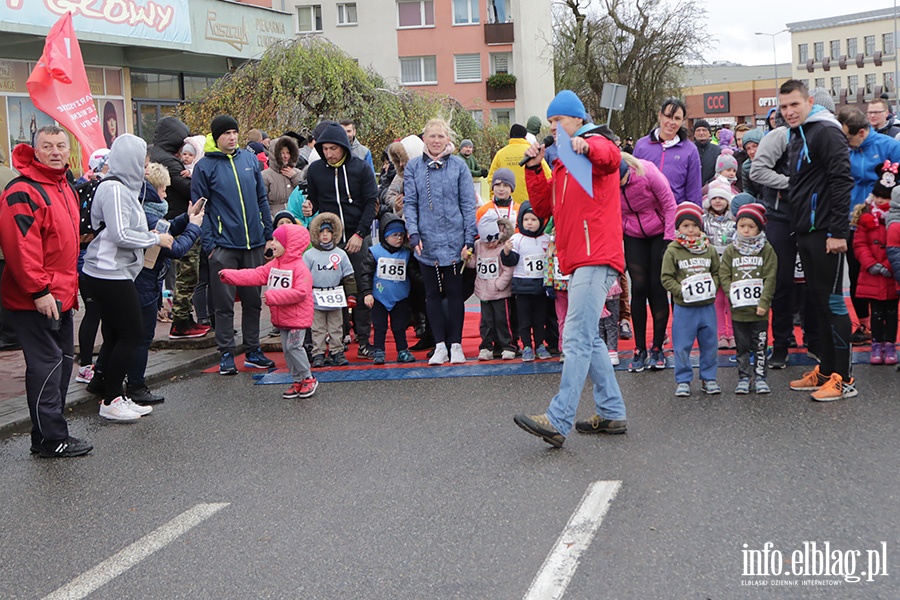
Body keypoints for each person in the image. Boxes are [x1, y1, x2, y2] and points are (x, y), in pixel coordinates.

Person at [513, 90, 626, 448]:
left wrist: (586, 145)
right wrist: (534, 168)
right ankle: (612, 411)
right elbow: (544, 207)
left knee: (575, 336)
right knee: (588, 338)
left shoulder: (593, 141)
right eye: (550, 122)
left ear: (577, 119)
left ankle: (559, 417)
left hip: (596, 255)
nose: (553, 127)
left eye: (557, 120)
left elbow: (610, 157)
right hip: (578, 257)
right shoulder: (562, 158)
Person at [0, 126, 92, 457]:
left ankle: (44, 436)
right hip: (36, 298)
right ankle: (53, 438)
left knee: (61, 364)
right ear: (34, 151)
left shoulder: (64, 186)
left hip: (60, 294)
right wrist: (39, 290)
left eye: (60, 145)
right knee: (49, 365)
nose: (55, 151)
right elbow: (20, 247)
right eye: (47, 146)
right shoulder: (23, 190)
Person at [82, 134, 174, 422]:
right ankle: (112, 399)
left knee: (116, 335)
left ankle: (105, 387)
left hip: (113, 271)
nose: (146, 167)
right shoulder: (115, 190)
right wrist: (155, 238)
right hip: (108, 272)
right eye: (143, 160)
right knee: (133, 334)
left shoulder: (121, 188)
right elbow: (121, 234)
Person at [778, 80, 856, 401]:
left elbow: (842, 180)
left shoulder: (825, 131)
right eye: (783, 107)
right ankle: (825, 371)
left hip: (828, 233)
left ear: (809, 101)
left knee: (834, 303)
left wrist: (838, 232)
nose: (789, 112)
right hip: (807, 232)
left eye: (794, 104)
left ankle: (844, 379)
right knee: (819, 303)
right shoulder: (798, 134)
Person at [193, 114, 276, 375]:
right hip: (223, 246)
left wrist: (268, 233)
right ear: (216, 137)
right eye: (226, 133)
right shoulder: (204, 167)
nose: (232, 137)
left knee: (253, 301)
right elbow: (199, 209)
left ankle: (252, 350)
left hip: (253, 244)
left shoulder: (249, 160)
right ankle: (227, 352)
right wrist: (211, 246)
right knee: (224, 304)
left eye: (234, 132)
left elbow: (261, 199)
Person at [301, 121, 379, 359]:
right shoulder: (315, 170)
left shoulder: (360, 168)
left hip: (357, 236)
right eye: (325, 149)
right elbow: (312, 200)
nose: (329, 154)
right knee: (332, 290)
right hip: (329, 242)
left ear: (344, 147)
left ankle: (364, 340)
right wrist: (308, 207)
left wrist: (360, 234)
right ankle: (339, 338)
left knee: (361, 288)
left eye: (333, 149)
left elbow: (371, 203)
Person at [128, 163, 203, 404]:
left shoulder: (143, 212)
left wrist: (186, 217)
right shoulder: (149, 217)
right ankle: (136, 387)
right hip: (144, 285)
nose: (165, 195)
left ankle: (102, 380)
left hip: (137, 282)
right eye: (163, 191)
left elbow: (168, 228)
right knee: (141, 337)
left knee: (121, 336)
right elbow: (176, 248)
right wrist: (194, 226)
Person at [404, 117, 477, 366]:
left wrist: (469, 238)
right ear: (424, 138)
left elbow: (468, 204)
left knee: (455, 293)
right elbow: (410, 203)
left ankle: (456, 344)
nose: (436, 141)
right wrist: (413, 233)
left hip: (456, 241)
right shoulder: (414, 167)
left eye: (441, 136)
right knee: (432, 294)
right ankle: (439, 346)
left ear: (448, 139)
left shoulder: (458, 166)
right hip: (426, 242)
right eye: (432, 136)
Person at [220, 224, 318, 399]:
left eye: (277, 241)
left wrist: (274, 297)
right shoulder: (275, 265)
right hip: (282, 318)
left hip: (298, 317)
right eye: (273, 239)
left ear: (291, 245)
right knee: (288, 351)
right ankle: (297, 380)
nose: (272, 244)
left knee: (294, 347)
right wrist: (229, 275)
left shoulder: (299, 268)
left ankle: (308, 378)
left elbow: (301, 293)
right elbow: (255, 275)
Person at [835, 105, 900, 345]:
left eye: (848, 138)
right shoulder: (845, 150)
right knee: (856, 274)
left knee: (889, 273)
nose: (846, 142)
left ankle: (888, 325)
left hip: (886, 223)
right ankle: (865, 324)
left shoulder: (890, 146)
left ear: (862, 132)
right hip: (854, 222)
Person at [149, 117, 209, 341]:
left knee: (164, 275)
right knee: (187, 274)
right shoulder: (170, 163)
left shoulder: (154, 154)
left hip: (162, 223)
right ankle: (181, 321)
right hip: (180, 222)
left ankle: (179, 318)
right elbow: (192, 190)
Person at [619, 153, 676, 372]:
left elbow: (670, 205)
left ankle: (657, 347)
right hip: (632, 232)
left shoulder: (646, 171)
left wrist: (669, 240)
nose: (620, 185)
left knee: (658, 286)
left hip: (659, 231)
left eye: (622, 181)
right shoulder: (606, 182)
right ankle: (640, 348)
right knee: (639, 288)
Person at [661, 202, 721, 397]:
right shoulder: (673, 250)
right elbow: (666, 278)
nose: (691, 229)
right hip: (684, 308)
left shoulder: (709, 249)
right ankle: (683, 379)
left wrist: (713, 285)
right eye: (686, 225)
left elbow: (717, 272)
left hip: (707, 306)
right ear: (678, 227)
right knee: (682, 346)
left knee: (710, 344)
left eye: (694, 225)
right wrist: (681, 291)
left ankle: (709, 378)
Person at [720, 203, 777, 394]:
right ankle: (744, 377)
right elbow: (724, 275)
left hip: (759, 311)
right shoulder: (731, 250)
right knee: (742, 347)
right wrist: (731, 296)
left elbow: (770, 276)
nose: (745, 230)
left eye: (751, 226)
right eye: (742, 226)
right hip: (739, 311)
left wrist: (764, 303)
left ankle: (761, 377)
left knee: (760, 346)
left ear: (759, 228)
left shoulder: (766, 249)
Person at [852, 161, 898, 365]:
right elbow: (859, 243)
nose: (881, 201)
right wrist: (870, 263)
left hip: (891, 274)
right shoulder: (866, 217)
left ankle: (890, 344)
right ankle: (877, 343)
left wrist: (890, 265)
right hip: (871, 273)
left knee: (892, 311)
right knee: (876, 311)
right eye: (878, 196)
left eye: (885, 197)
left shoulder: (895, 220)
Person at [304, 213, 358, 367]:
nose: (325, 235)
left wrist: (351, 295)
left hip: (335, 295)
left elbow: (349, 275)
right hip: (316, 296)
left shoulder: (340, 254)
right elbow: (304, 277)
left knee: (336, 326)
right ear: (316, 234)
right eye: (322, 232)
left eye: (328, 232)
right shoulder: (309, 255)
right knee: (318, 327)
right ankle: (318, 352)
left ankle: (336, 351)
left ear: (334, 233)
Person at [360, 214, 415, 365]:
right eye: (395, 235)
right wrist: (367, 293)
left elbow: (414, 274)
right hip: (379, 297)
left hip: (400, 296)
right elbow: (366, 273)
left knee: (399, 326)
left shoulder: (406, 253)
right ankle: (379, 350)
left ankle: (402, 350)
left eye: (401, 235)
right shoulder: (374, 252)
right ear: (386, 236)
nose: (399, 238)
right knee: (379, 326)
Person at [501, 202, 551, 362]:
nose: (529, 223)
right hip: (522, 287)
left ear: (541, 222)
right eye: (526, 219)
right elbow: (511, 261)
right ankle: (527, 346)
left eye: (534, 220)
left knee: (539, 319)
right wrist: (506, 252)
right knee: (524, 320)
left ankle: (540, 345)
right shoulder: (516, 239)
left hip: (540, 287)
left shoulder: (546, 239)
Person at [634, 98, 702, 206]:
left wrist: (693, 217)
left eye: (677, 118)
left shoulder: (690, 150)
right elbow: (633, 182)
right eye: (668, 116)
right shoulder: (642, 146)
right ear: (660, 115)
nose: (672, 122)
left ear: (682, 121)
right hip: (645, 213)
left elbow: (694, 191)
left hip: (674, 213)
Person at [468, 212, 515, 360]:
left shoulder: (503, 247)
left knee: (503, 320)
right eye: (486, 242)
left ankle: (507, 345)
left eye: (493, 241)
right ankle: (486, 346)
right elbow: (474, 264)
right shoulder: (478, 245)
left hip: (500, 292)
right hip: (483, 291)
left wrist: (499, 285)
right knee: (486, 322)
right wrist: (467, 257)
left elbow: (508, 269)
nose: (490, 245)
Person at [702, 184, 736, 349]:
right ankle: (722, 334)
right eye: (714, 198)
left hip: (730, 265)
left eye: (721, 198)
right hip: (713, 265)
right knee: (718, 299)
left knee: (731, 299)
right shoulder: (704, 220)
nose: (717, 201)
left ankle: (734, 334)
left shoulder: (734, 220)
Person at [487, 123, 551, 205]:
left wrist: (493, 200)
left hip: (507, 205)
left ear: (510, 137)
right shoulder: (532, 153)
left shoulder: (500, 154)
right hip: (529, 204)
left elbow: (491, 179)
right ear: (525, 137)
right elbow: (548, 176)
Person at [262, 135, 303, 217]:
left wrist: (295, 177)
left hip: (296, 220)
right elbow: (261, 203)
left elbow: (305, 196)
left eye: (288, 153)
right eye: (282, 153)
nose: (286, 156)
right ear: (275, 154)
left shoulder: (298, 173)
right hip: (275, 220)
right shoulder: (265, 176)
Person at [692, 119, 721, 186]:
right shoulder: (689, 149)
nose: (701, 133)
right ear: (694, 134)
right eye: (698, 130)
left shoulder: (717, 150)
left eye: (704, 130)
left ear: (709, 133)